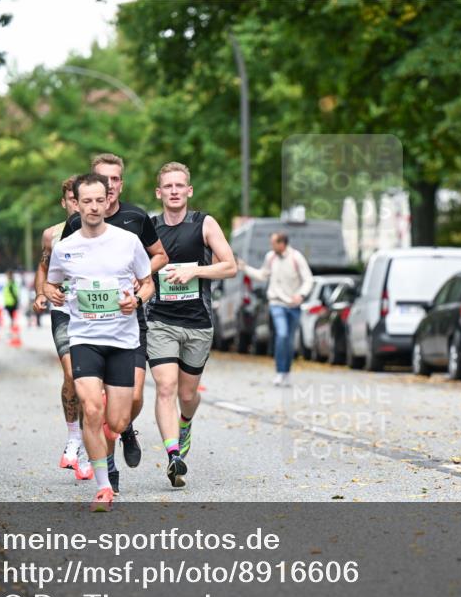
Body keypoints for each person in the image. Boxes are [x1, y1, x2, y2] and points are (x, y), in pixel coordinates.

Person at [48, 154, 169, 489]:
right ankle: (107, 477)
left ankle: (125, 427)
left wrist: (137, 288)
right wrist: (50, 291)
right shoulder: (73, 230)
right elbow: (56, 272)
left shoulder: (135, 221)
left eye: (115, 181)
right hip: (88, 331)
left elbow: (158, 258)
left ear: (118, 185)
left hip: (129, 323)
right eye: (102, 182)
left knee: (128, 404)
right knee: (92, 404)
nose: (109, 189)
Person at [146, 162, 236, 487]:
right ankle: (173, 456)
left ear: (189, 191)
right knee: (165, 387)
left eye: (179, 185)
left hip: (198, 323)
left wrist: (195, 271)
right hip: (161, 321)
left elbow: (230, 266)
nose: (173, 191)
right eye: (167, 186)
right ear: (159, 192)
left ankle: (185, 424)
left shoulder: (204, 224)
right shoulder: (150, 228)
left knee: (187, 394)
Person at [34, 176, 91, 479]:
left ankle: (90, 438)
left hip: (94, 313)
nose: (75, 204)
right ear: (65, 202)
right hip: (64, 311)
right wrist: (41, 293)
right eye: (70, 199)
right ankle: (74, 436)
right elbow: (43, 267)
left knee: (92, 382)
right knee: (72, 373)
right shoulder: (51, 235)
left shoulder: (100, 231)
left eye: (77, 198)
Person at [238, 232, 314, 386]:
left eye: (273, 243)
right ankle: (280, 371)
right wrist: (244, 268)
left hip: (293, 305)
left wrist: (301, 295)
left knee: (290, 340)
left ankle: (287, 372)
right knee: (282, 334)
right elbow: (262, 275)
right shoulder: (270, 257)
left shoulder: (296, 258)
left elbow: (308, 279)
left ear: (282, 243)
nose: (271, 246)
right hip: (276, 303)